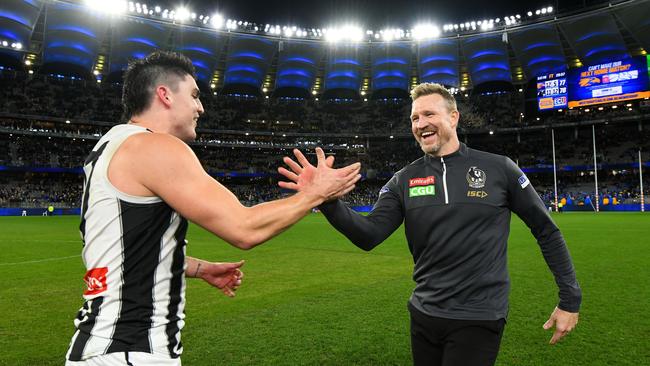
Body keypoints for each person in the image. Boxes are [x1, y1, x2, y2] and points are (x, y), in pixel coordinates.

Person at [66, 51, 361, 365]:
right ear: (164, 94)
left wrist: (198, 268)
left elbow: (124, 251)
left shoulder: (109, 147)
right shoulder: (154, 146)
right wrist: (314, 195)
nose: (200, 107)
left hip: (101, 345)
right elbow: (244, 228)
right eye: (194, 95)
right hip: (131, 349)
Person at [279, 83, 581, 366]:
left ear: (454, 117)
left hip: (478, 316)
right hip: (424, 314)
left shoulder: (499, 168)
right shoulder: (404, 180)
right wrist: (327, 200)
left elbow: (546, 231)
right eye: (414, 117)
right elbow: (368, 235)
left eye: (428, 114)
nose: (420, 123)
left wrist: (570, 300)